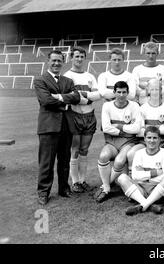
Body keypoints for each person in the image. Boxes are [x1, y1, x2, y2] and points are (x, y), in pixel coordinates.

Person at [34, 50, 81, 205]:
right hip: (48, 126)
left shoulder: (67, 80)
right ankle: (43, 192)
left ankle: (64, 188)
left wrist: (60, 97)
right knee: (46, 161)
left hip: (66, 126)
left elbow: (76, 97)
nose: (56, 63)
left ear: (63, 62)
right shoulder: (40, 80)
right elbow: (46, 101)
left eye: (59, 61)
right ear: (48, 61)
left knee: (64, 159)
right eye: (53, 60)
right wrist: (65, 102)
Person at [94, 81, 142, 203]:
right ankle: (107, 187)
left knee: (120, 160)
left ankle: (105, 186)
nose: (121, 95)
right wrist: (124, 130)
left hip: (129, 141)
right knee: (103, 156)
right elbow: (106, 128)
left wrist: (118, 127)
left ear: (128, 93)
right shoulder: (107, 106)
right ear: (114, 92)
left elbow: (136, 128)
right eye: (119, 92)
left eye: (124, 92)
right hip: (112, 141)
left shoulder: (134, 106)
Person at [64, 46, 101, 193]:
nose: (79, 59)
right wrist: (86, 98)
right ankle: (74, 182)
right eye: (76, 56)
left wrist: (81, 95)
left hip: (89, 116)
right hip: (74, 116)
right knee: (75, 149)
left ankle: (83, 180)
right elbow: (69, 97)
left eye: (81, 56)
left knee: (85, 149)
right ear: (71, 58)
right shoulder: (67, 76)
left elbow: (97, 95)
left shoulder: (90, 76)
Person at [126, 78, 164, 178]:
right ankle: (135, 180)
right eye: (152, 89)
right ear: (148, 90)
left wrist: (148, 128)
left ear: (161, 90)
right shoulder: (142, 108)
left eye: (157, 89)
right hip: (145, 142)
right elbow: (138, 132)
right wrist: (160, 127)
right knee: (131, 153)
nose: (154, 92)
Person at [118, 126, 164, 216]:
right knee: (122, 178)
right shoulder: (139, 153)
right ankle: (148, 204)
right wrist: (155, 172)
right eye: (149, 137)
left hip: (157, 189)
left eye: (155, 138)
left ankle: (142, 205)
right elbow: (135, 176)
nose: (151, 141)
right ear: (144, 139)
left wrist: (144, 175)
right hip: (141, 189)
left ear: (159, 139)